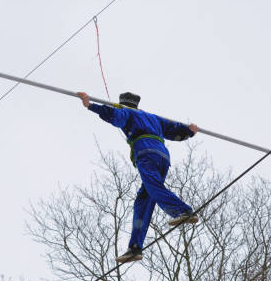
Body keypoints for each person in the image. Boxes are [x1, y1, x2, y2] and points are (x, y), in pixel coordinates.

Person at [77, 91, 199, 263]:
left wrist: (90, 105)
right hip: (163, 157)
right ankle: (135, 247)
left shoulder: (127, 112)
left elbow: (115, 115)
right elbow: (174, 130)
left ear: (123, 104)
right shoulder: (151, 117)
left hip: (146, 152)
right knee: (144, 199)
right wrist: (189, 132)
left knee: (153, 187)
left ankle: (182, 210)